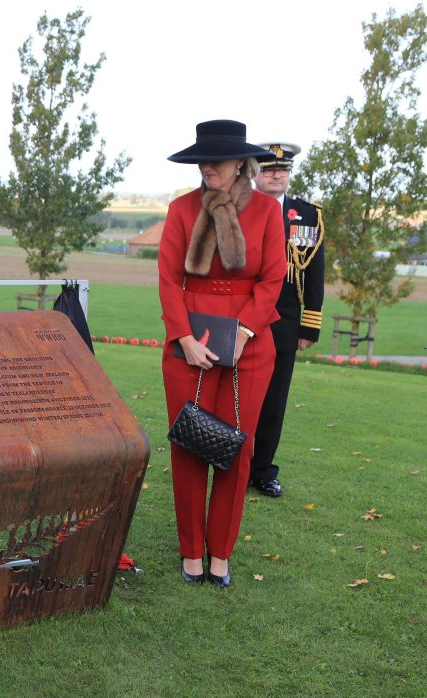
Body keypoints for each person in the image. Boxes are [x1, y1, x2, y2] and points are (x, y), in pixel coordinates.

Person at [159, 120, 287, 587]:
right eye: (202, 159)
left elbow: (272, 280)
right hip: (189, 344)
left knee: (238, 448)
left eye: (218, 159)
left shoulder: (269, 212)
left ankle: (221, 553)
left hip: (249, 345)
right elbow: (170, 280)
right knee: (190, 444)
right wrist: (184, 338)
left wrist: (245, 331)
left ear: (240, 165)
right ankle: (191, 551)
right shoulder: (180, 210)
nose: (208, 166)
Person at [248, 143, 325, 498]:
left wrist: (309, 326)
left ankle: (262, 471)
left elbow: (316, 275)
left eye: (282, 169)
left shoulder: (306, 215)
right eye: (268, 169)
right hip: (242, 320)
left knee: (274, 403)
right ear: (255, 172)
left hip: (284, 324)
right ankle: (230, 464)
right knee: (237, 398)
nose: (276, 174)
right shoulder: (238, 208)